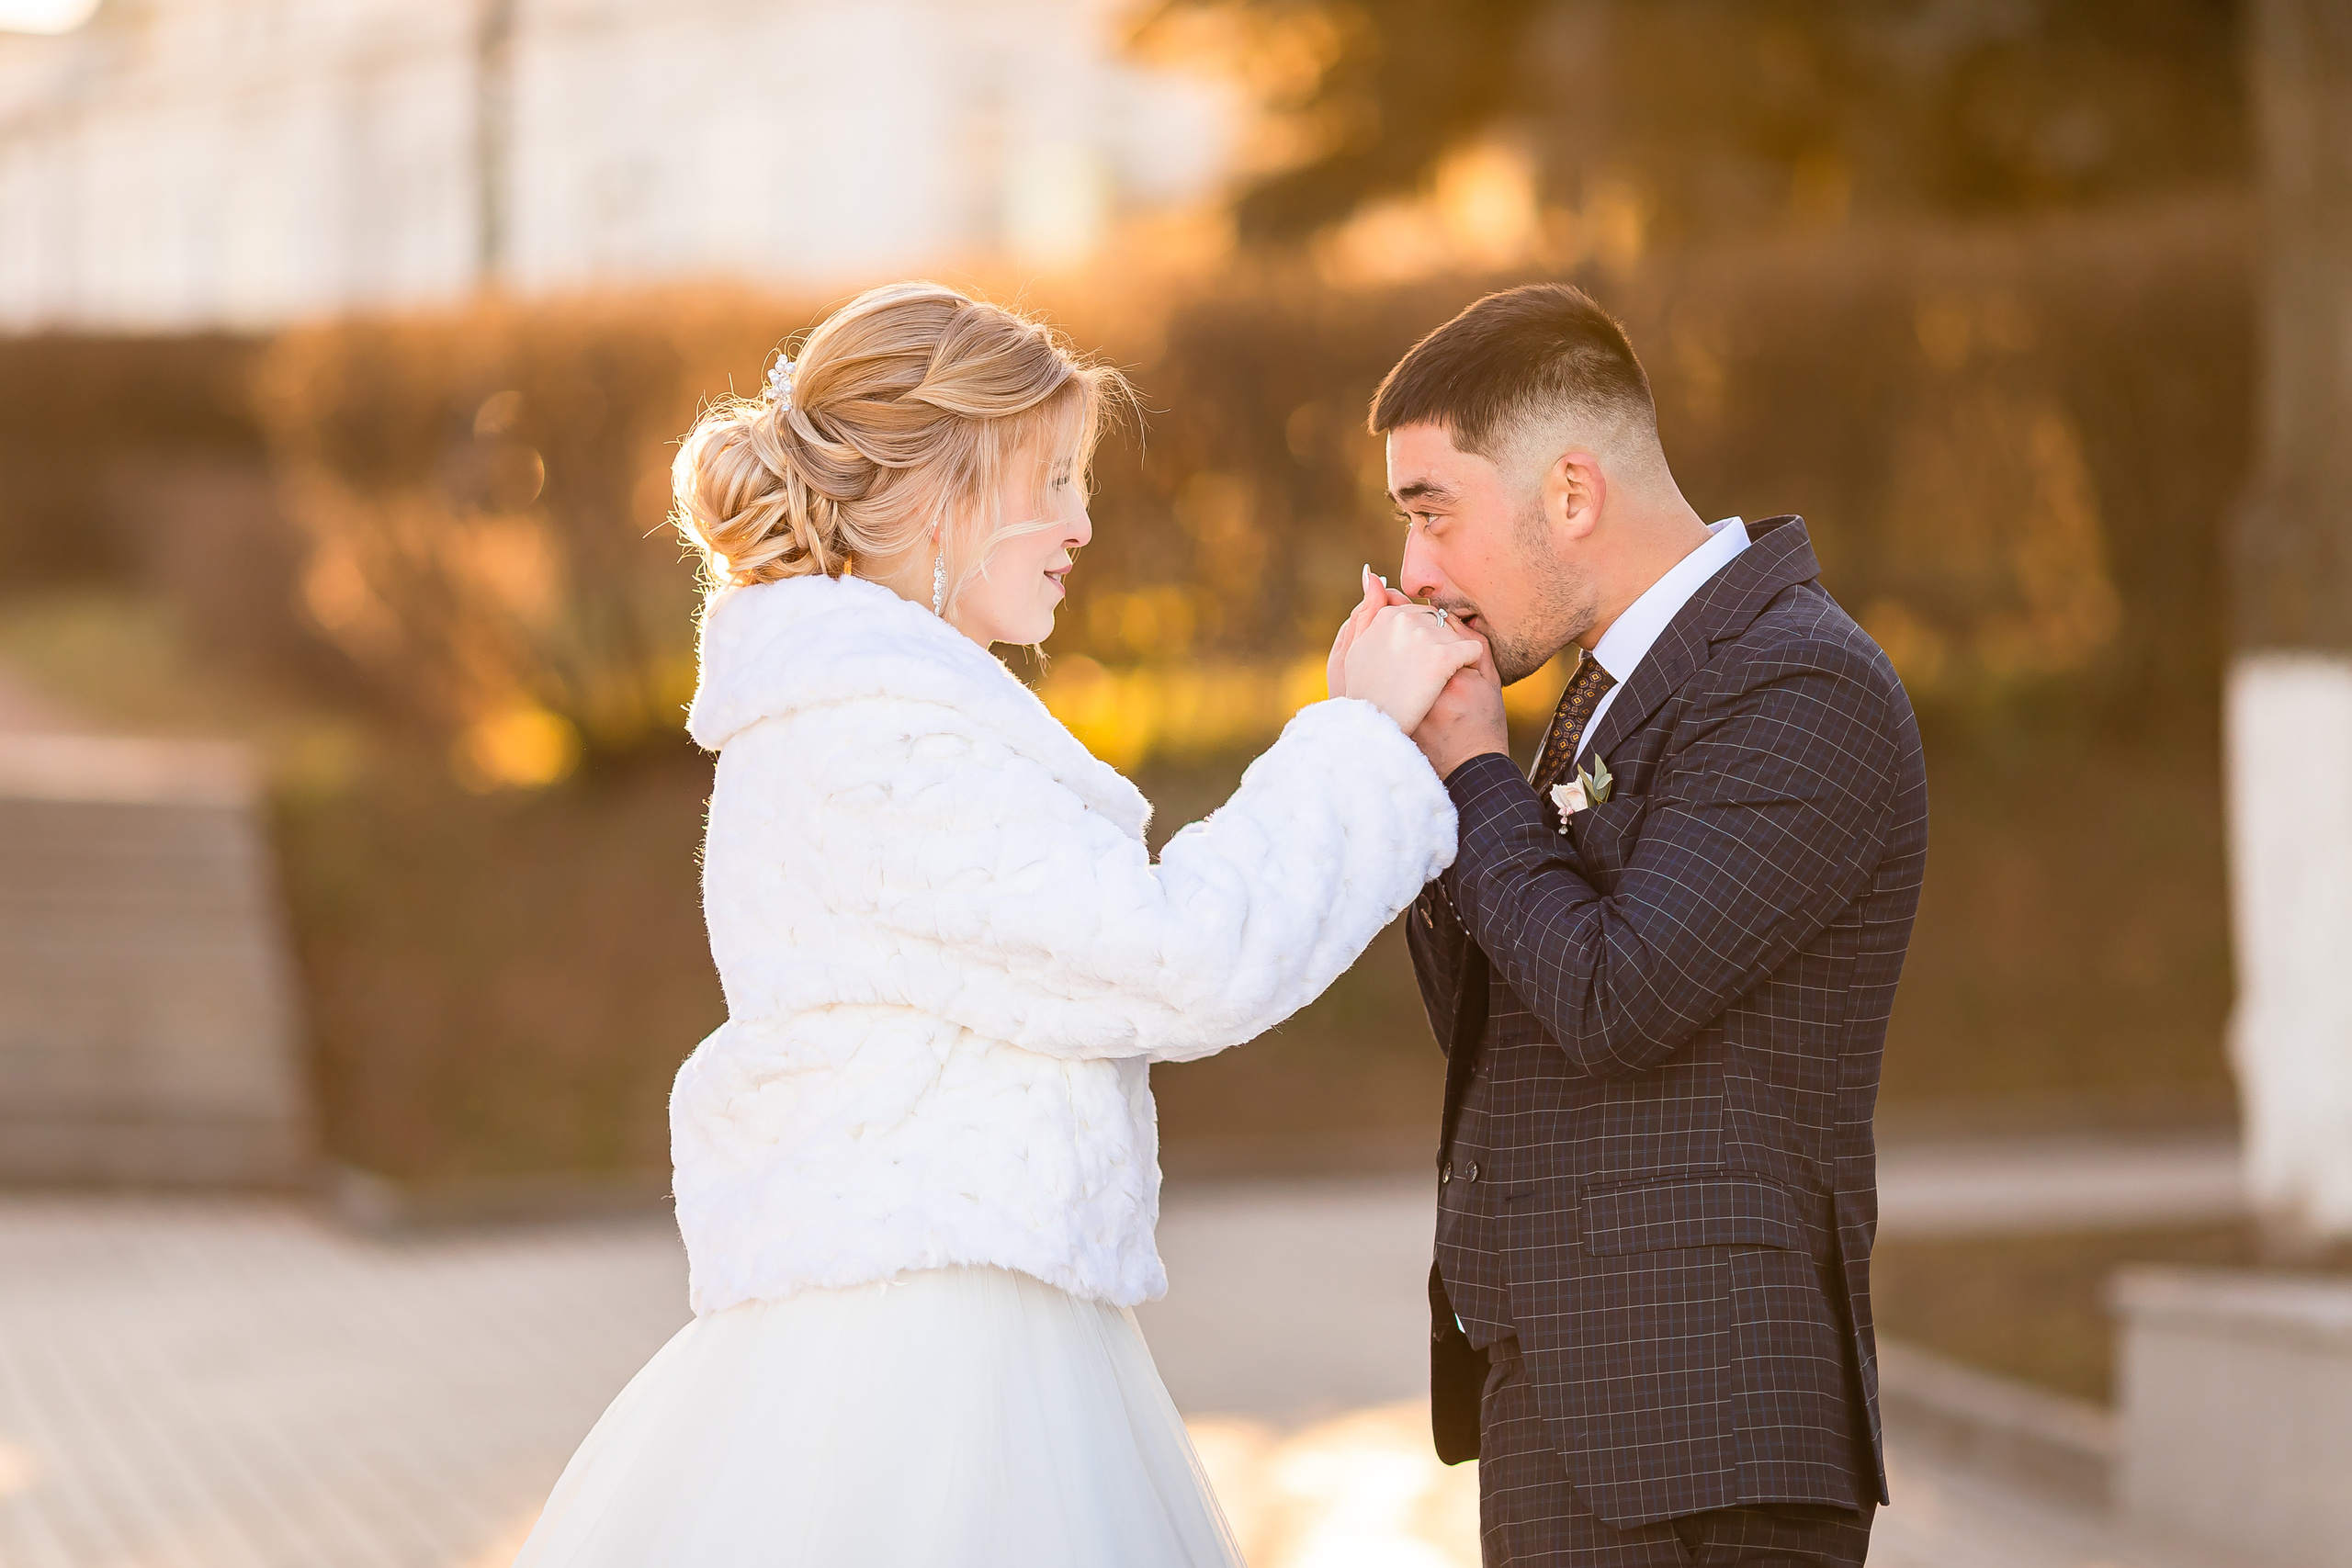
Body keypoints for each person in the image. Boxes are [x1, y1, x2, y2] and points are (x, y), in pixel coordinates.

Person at [509, 280, 1482, 1567]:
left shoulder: (876, 715)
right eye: (1057, 479)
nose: (1082, 523)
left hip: (943, 1326)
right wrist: (1360, 737)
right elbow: (1177, 959)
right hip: (927, 1371)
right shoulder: (877, 741)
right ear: (938, 491)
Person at [1353, 283, 1929, 1567]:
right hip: (1572, 1404)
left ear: (1570, 493)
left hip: (1706, 1432)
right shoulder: (1597, 695)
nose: (1415, 572)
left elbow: (1617, 999)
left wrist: (1471, 776)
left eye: (1432, 511)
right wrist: (1407, 765)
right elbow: (1502, 1016)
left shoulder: (1800, 677)